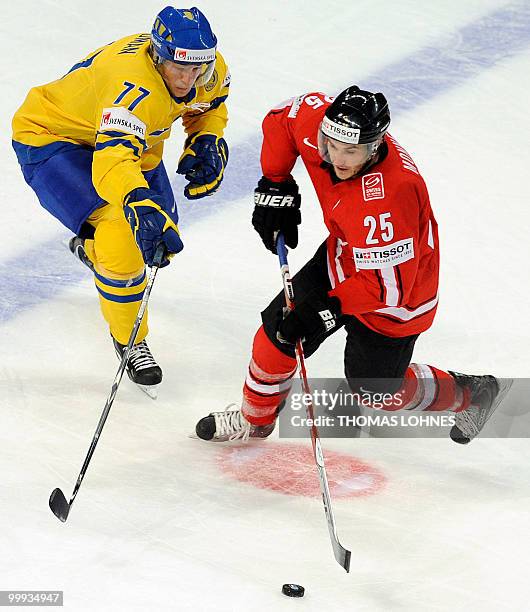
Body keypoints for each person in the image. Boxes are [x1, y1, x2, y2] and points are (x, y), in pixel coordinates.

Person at [195, 86, 511, 443]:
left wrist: (325, 310)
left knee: (377, 391)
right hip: (345, 258)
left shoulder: (390, 197)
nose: (339, 158)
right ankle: (256, 419)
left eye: (352, 151)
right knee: (276, 335)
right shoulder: (323, 129)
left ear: (375, 147)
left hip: (396, 297)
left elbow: (387, 287)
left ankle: (471, 394)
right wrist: (276, 182)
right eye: (331, 145)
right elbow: (282, 120)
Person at [12, 6, 230, 396]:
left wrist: (205, 140)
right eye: (179, 69)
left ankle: (93, 251)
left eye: (198, 69)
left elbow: (208, 109)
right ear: (156, 55)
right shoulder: (132, 89)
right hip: (51, 139)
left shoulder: (204, 69)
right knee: (124, 233)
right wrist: (137, 203)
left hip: (126, 145)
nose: (188, 79)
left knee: (163, 240)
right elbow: (111, 163)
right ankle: (130, 337)